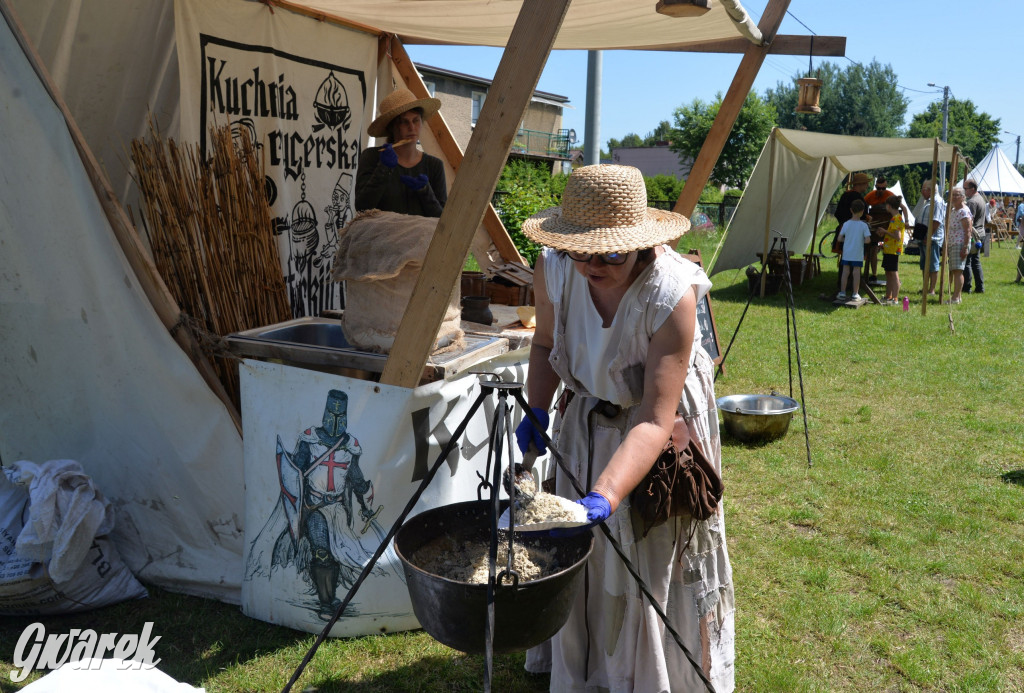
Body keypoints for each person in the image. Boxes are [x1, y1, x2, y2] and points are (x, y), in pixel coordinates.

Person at [516, 165, 735, 692]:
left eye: (611, 253)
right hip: (590, 418)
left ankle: (652, 675)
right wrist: (537, 407)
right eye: (580, 251)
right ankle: (587, 666)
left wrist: (606, 495)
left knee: (648, 555)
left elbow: (655, 420)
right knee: (580, 553)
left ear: (640, 244)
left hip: (658, 427)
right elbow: (546, 344)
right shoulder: (555, 269)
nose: (593, 265)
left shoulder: (671, 294)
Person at [355, 88, 447, 217]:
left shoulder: (434, 165)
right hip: (380, 235)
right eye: (404, 122)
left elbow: (441, 219)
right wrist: (383, 169)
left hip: (421, 236)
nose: (412, 128)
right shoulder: (372, 157)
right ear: (391, 127)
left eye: (415, 120)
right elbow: (362, 207)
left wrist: (425, 191)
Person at [912, 179, 946, 296]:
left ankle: (931, 290)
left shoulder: (937, 202)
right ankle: (925, 287)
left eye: (923, 189)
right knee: (924, 264)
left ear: (930, 190)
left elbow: (936, 221)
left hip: (932, 239)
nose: (922, 192)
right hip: (924, 237)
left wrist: (929, 236)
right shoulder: (927, 201)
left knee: (932, 265)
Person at [836, 198, 872, 301]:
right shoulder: (864, 225)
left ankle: (842, 292)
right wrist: (859, 241)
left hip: (847, 252)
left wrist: (847, 239)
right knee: (856, 272)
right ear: (862, 211)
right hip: (857, 253)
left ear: (851, 210)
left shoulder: (846, 224)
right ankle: (855, 293)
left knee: (845, 272)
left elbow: (839, 238)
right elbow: (868, 240)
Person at [863, 175, 895, 285]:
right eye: (879, 188)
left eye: (883, 188)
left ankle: (892, 277)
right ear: (876, 186)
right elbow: (861, 206)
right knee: (872, 251)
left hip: (888, 227)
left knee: (890, 253)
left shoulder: (890, 195)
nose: (881, 191)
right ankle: (873, 274)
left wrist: (904, 221)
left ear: (886, 187)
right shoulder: (870, 196)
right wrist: (867, 218)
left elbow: (900, 208)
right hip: (874, 227)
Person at [946, 187, 972, 305]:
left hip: (960, 243)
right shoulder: (953, 210)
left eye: (957, 195)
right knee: (955, 270)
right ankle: (958, 296)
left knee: (958, 271)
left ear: (963, 197)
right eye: (953, 195)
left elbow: (968, 230)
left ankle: (955, 297)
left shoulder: (963, 211)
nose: (954, 197)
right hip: (953, 243)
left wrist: (965, 246)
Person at [880, 195, 906, 304]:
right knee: (888, 273)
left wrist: (884, 231)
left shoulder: (896, 219)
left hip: (893, 251)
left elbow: (897, 236)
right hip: (889, 249)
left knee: (893, 273)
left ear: (889, 206)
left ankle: (895, 298)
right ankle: (888, 296)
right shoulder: (895, 218)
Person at [962, 178, 986, 294]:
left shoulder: (972, 202)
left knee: (967, 261)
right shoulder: (980, 198)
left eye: (965, 188)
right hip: (980, 233)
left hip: (973, 234)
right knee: (975, 261)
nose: (964, 191)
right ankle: (980, 287)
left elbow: (968, 220)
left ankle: (967, 287)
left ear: (972, 189)